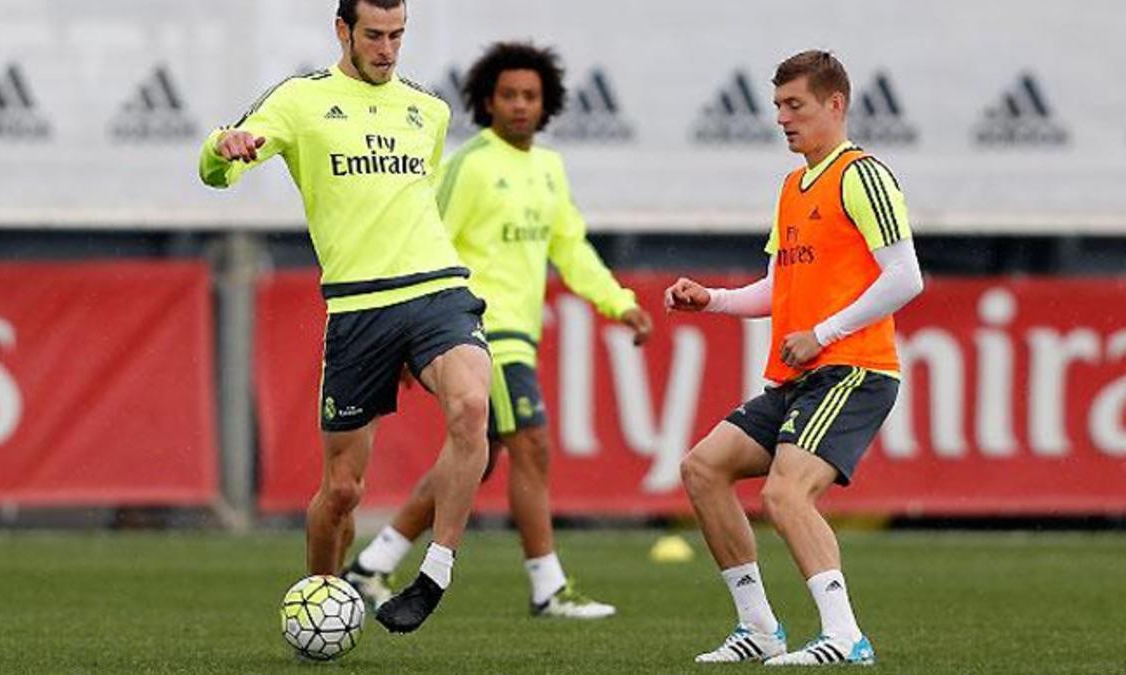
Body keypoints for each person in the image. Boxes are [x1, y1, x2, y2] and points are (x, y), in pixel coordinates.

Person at [198, 0, 492, 635]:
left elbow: (417, 205)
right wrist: (224, 147)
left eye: (397, 35)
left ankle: (435, 570)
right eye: (374, 35)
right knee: (342, 493)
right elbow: (213, 171)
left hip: (436, 289)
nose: (387, 49)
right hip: (358, 309)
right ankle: (319, 601)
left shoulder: (428, 110)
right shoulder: (301, 101)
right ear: (343, 31)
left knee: (472, 407)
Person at [344, 42, 653, 619]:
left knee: (476, 461)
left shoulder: (549, 168)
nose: (519, 105)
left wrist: (620, 303)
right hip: (475, 330)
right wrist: (413, 336)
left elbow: (571, 248)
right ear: (487, 101)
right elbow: (426, 240)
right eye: (508, 95)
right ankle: (548, 586)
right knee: (531, 446)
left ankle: (372, 565)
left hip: (521, 336)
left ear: (546, 103)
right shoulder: (471, 164)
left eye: (529, 96)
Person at [665, 50, 923, 666]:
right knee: (703, 469)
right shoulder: (790, 186)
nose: (782, 118)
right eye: (778, 106)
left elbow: (905, 276)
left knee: (784, 495)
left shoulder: (861, 175)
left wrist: (825, 331)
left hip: (855, 369)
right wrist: (714, 300)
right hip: (802, 374)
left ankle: (844, 636)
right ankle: (759, 627)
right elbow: (777, 288)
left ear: (835, 105)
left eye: (795, 105)